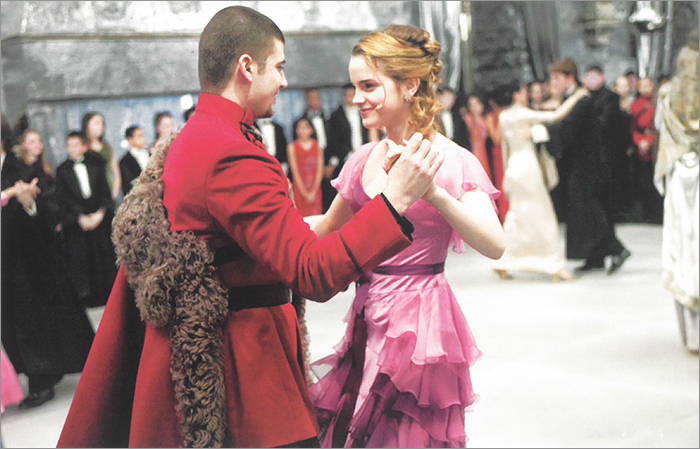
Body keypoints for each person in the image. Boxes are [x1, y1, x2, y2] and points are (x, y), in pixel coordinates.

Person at [57, 6, 442, 448]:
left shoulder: (197, 136)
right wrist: (395, 201)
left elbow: (253, 240)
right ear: (247, 67)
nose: (283, 80)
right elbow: (312, 272)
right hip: (248, 377)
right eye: (278, 66)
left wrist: (349, 210)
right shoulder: (231, 152)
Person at [306, 24, 505, 448]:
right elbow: (324, 226)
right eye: (355, 87)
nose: (356, 98)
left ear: (410, 85)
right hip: (368, 314)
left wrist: (433, 193)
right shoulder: (363, 159)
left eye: (368, 86)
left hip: (422, 327)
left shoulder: (452, 158)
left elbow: (495, 243)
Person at [2, 128, 95, 411]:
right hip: (7, 261)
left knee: (31, 320)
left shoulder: (20, 169)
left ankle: (41, 379)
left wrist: (29, 204)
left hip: (29, 261)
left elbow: (47, 210)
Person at [492, 82, 588, 281]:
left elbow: (505, 149)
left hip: (514, 168)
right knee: (543, 214)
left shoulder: (504, 116)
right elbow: (556, 116)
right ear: (517, 95)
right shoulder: (522, 114)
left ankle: (505, 260)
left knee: (518, 214)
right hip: (528, 168)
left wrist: (506, 175)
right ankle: (555, 264)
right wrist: (576, 98)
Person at [546, 58, 630, 275]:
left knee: (590, 211)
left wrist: (547, 133)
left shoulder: (581, 100)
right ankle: (595, 257)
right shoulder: (573, 99)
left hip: (589, 166)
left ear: (569, 78)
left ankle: (617, 249)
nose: (553, 82)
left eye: (557, 78)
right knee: (585, 211)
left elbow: (568, 130)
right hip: (581, 165)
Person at [653, 31, 699, 352]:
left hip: (680, 175)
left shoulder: (668, 93)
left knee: (684, 247)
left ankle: (693, 337)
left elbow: (661, 127)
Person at [55, 131, 117, 308]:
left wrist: (99, 214)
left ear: (84, 146)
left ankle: (107, 294)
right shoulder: (62, 170)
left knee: (102, 256)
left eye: (75, 145)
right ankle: (87, 296)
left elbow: (105, 192)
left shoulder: (97, 164)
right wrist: (79, 217)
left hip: (99, 218)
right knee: (82, 259)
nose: (71, 149)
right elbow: (62, 198)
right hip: (77, 222)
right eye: (69, 145)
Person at [584, 65, 633, 223]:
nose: (591, 80)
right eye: (589, 77)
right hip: (591, 149)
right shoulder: (585, 95)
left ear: (601, 77)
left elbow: (606, 122)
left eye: (594, 77)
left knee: (610, 182)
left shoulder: (610, 97)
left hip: (608, 149)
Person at [325, 82, 373, 211]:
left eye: (352, 95)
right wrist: (342, 156)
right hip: (345, 158)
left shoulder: (364, 112)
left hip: (365, 156)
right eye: (347, 95)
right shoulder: (336, 115)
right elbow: (333, 140)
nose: (350, 98)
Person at [630, 77, 663, 224]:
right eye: (641, 86)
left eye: (647, 85)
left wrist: (649, 141)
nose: (644, 88)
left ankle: (657, 214)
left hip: (654, 144)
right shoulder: (636, 104)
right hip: (640, 145)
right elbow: (633, 127)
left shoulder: (658, 104)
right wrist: (639, 141)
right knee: (642, 182)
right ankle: (645, 214)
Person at [289, 117, 324, 217]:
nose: (303, 130)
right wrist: (305, 193)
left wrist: (313, 191)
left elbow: (320, 170)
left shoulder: (318, 146)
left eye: (306, 127)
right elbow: (295, 172)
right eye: (300, 127)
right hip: (299, 189)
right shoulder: (292, 147)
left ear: (311, 130)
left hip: (315, 188)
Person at [81, 112, 120, 200]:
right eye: (96, 123)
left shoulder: (107, 148)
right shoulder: (82, 147)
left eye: (102, 123)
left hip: (109, 194)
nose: (101, 126)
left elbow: (116, 173)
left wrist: (114, 194)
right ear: (86, 125)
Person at [461, 93, 493, 180]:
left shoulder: (486, 119)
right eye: (471, 105)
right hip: (473, 151)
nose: (474, 107)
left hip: (485, 153)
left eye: (476, 104)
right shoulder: (468, 119)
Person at [119, 125, 150, 197]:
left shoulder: (151, 155)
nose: (143, 139)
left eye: (143, 135)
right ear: (130, 140)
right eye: (139, 136)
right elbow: (128, 185)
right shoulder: (125, 161)